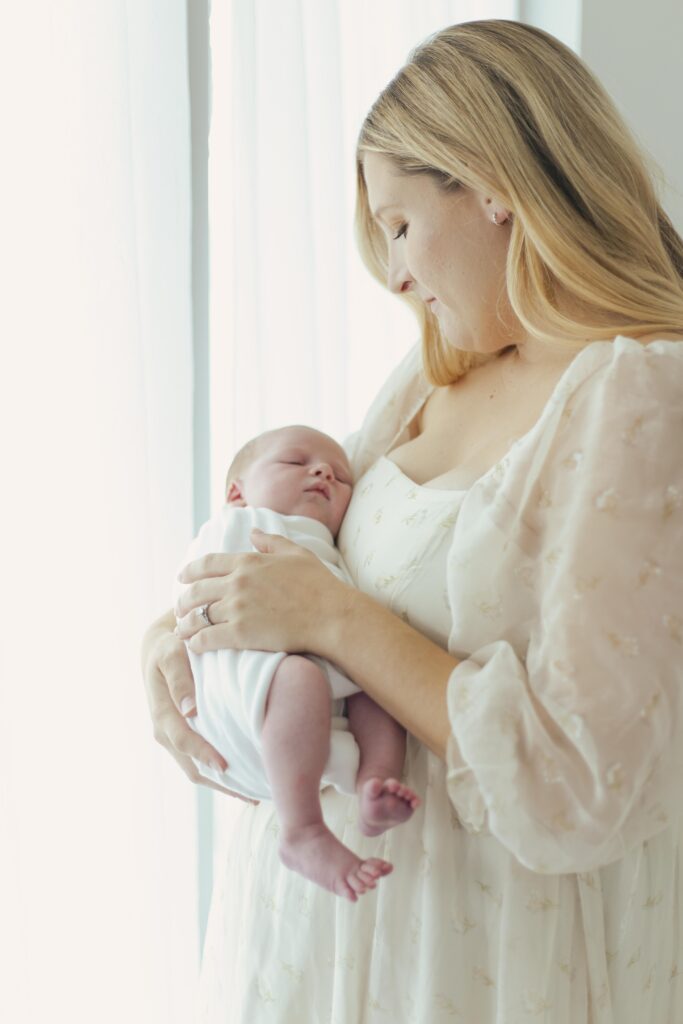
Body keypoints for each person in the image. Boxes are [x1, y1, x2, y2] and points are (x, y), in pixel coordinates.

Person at [141, 19, 683, 1023]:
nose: (392, 274)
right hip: (324, 943)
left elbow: (581, 784)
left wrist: (338, 626)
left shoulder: (638, 394)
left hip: (474, 962)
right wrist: (176, 647)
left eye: (396, 224)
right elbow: (307, 564)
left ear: (488, 185)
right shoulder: (439, 372)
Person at [172, 423, 420, 901]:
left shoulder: (332, 549)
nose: (325, 471)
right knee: (299, 678)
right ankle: (302, 830)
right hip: (248, 692)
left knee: (381, 690)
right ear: (236, 493)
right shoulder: (239, 526)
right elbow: (193, 597)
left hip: (309, 676)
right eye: (295, 462)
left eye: (343, 477)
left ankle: (376, 784)